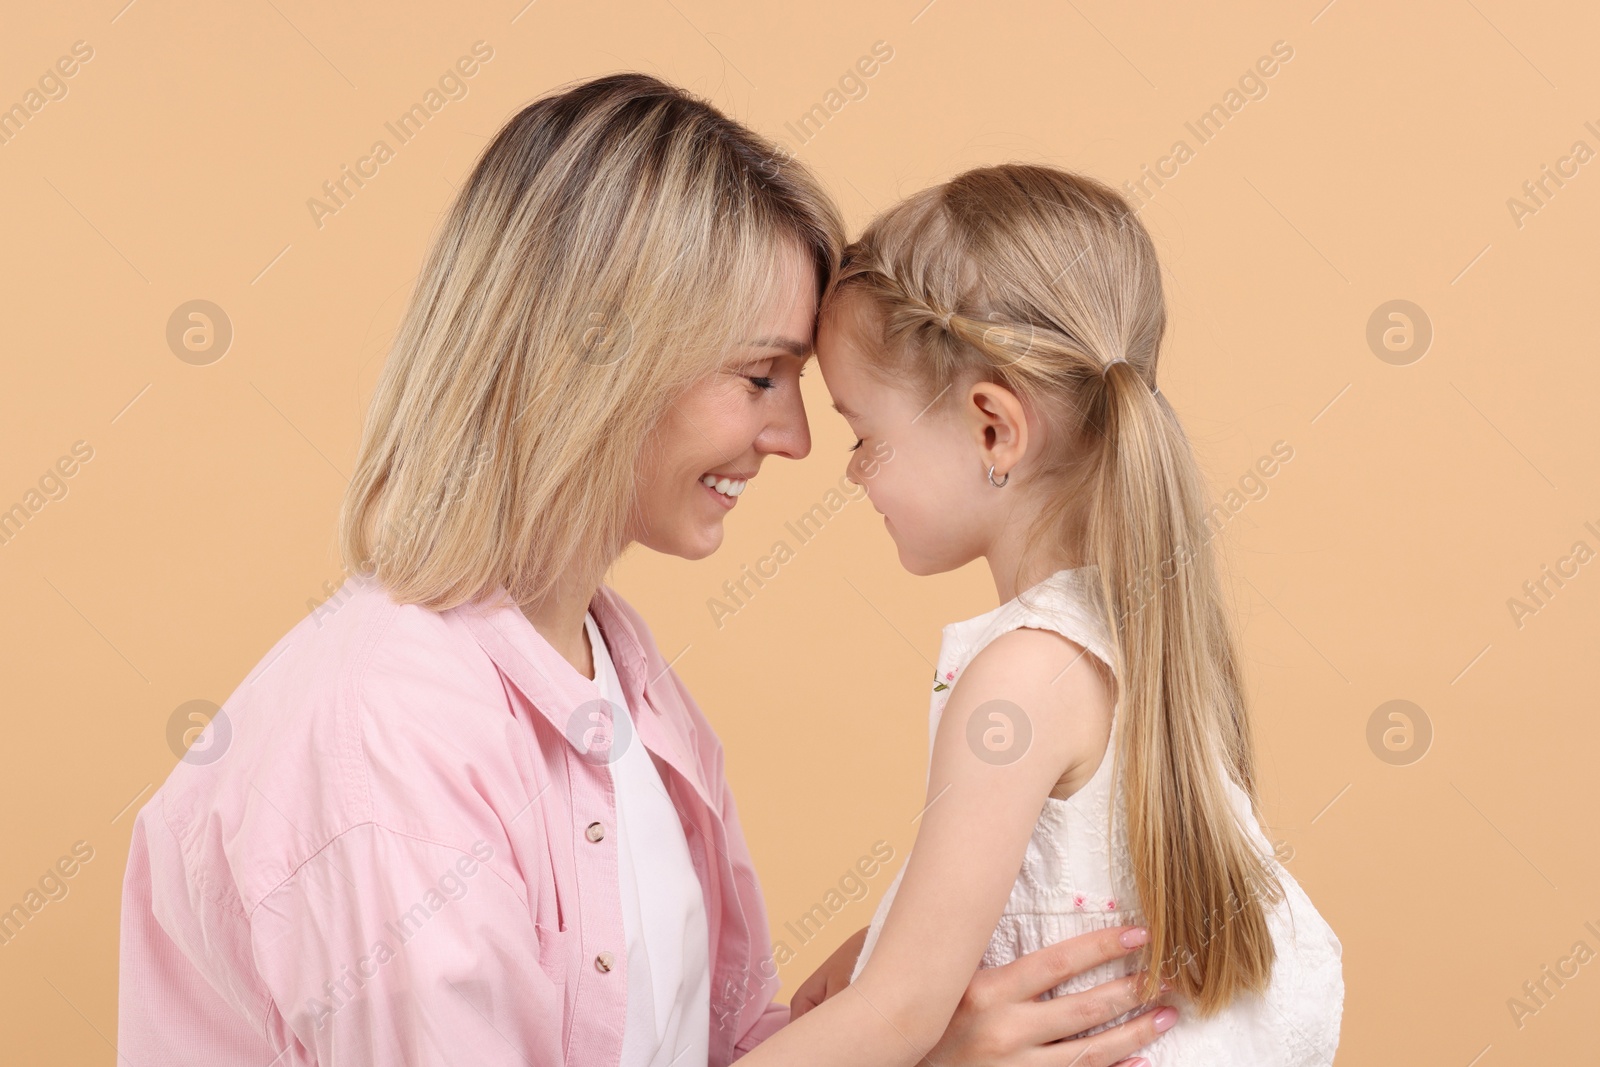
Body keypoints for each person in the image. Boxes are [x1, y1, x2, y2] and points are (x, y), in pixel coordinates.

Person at [117, 74, 1172, 1066]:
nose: (796, 439)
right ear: (597, 359)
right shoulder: (383, 738)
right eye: (760, 374)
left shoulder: (621, 677)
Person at [739, 164, 1345, 1065]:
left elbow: (901, 1015)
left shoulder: (1022, 676)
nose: (853, 471)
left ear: (994, 429)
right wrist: (879, 940)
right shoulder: (1139, 639)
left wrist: (877, 986)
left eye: (864, 434)